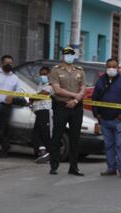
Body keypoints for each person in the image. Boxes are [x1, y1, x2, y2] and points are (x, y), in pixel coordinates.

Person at [91, 58, 121, 178]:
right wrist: (97, 114)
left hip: (118, 120)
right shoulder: (101, 81)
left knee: (120, 144)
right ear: (106, 67)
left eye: (114, 66)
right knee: (108, 145)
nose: (111, 69)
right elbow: (95, 99)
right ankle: (111, 168)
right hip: (104, 119)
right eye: (109, 66)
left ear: (118, 68)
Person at [48, 47, 86, 176]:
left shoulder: (79, 71)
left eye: (71, 54)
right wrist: (74, 96)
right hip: (61, 106)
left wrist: (75, 100)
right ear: (63, 56)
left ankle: (74, 167)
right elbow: (57, 90)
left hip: (76, 107)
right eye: (67, 54)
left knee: (75, 137)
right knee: (57, 135)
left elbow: (83, 87)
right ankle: (54, 165)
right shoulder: (55, 70)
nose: (69, 56)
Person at [30, 66, 53, 163]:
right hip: (39, 111)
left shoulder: (51, 84)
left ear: (49, 75)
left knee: (45, 132)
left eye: (44, 74)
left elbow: (43, 94)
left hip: (45, 111)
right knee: (37, 133)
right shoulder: (40, 84)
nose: (42, 76)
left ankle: (49, 153)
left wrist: (32, 98)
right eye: (41, 74)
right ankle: (42, 152)